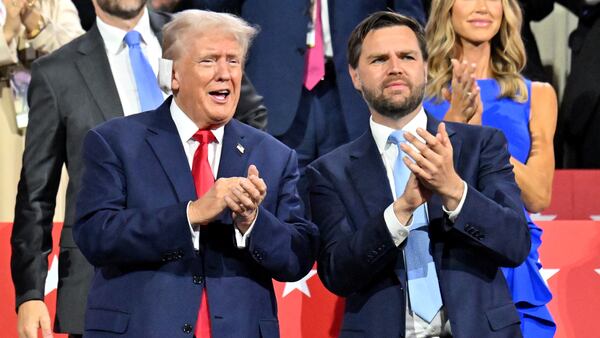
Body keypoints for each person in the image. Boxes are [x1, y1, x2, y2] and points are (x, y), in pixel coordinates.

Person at [10, 1, 266, 337]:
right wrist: (30, 293)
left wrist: (223, 191)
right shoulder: (57, 73)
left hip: (210, 274)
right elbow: (36, 192)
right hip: (104, 280)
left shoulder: (197, 37)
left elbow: (251, 120)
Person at [73, 9, 318, 337]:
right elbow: (96, 235)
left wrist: (252, 222)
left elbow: (296, 258)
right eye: (208, 60)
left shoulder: (273, 156)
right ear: (173, 75)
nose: (224, 73)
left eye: (233, 61)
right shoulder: (116, 142)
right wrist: (191, 214)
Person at [308, 11, 530, 338]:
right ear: (355, 76)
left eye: (407, 56)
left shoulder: (480, 145)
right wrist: (399, 212)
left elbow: (515, 244)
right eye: (379, 59)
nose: (395, 67)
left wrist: (454, 190)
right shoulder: (329, 171)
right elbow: (337, 273)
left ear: (425, 68)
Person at [423, 0, 557, 336]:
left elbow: (539, 195)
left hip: (511, 256)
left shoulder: (536, 95)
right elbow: (414, 186)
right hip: (442, 253)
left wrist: (481, 141)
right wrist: (458, 124)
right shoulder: (418, 96)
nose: (482, 7)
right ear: (446, 8)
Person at [184, 0, 426, 170]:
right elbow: (212, 13)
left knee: (355, 211)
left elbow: (408, 17)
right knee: (276, 211)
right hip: (268, 92)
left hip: (356, 97)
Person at [0, 0, 83, 223]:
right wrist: (7, 31)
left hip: (48, 118)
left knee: (43, 195)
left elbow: (83, 55)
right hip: (4, 120)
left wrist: (38, 27)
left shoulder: (56, 4)